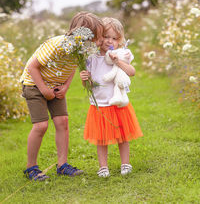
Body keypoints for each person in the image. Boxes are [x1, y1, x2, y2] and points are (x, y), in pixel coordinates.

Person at [21, 11, 104, 181]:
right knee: (41, 126)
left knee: (62, 122)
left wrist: (65, 87)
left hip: (57, 86)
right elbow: (32, 66)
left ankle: (62, 165)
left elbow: (72, 66)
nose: (100, 40)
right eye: (98, 37)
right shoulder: (58, 45)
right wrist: (43, 89)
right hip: (34, 85)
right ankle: (31, 167)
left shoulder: (81, 50)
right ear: (83, 34)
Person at [80, 17, 143, 177]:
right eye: (106, 36)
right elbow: (87, 86)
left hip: (119, 103)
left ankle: (125, 163)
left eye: (114, 38)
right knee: (101, 138)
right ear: (98, 37)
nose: (110, 41)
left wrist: (117, 61)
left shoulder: (121, 55)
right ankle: (103, 166)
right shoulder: (92, 58)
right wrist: (84, 79)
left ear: (119, 41)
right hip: (100, 105)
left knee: (123, 136)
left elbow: (132, 72)